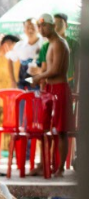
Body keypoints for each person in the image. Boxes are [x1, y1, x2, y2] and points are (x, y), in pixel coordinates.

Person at [29, 13, 71, 174]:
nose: (41, 29)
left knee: (61, 131)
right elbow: (47, 70)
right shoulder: (49, 44)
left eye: (44, 25)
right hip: (48, 90)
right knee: (44, 129)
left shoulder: (60, 44)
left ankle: (60, 168)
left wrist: (38, 76)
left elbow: (56, 70)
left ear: (52, 26)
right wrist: (38, 78)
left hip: (59, 89)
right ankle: (44, 164)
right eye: (39, 26)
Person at [6, 19, 42, 90]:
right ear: (24, 30)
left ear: (38, 28)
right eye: (28, 27)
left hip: (40, 85)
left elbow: (53, 64)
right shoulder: (19, 46)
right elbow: (10, 60)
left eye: (33, 27)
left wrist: (41, 71)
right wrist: (13, 80)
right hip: (23, 86)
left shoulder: (44, 45)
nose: (30, 30)